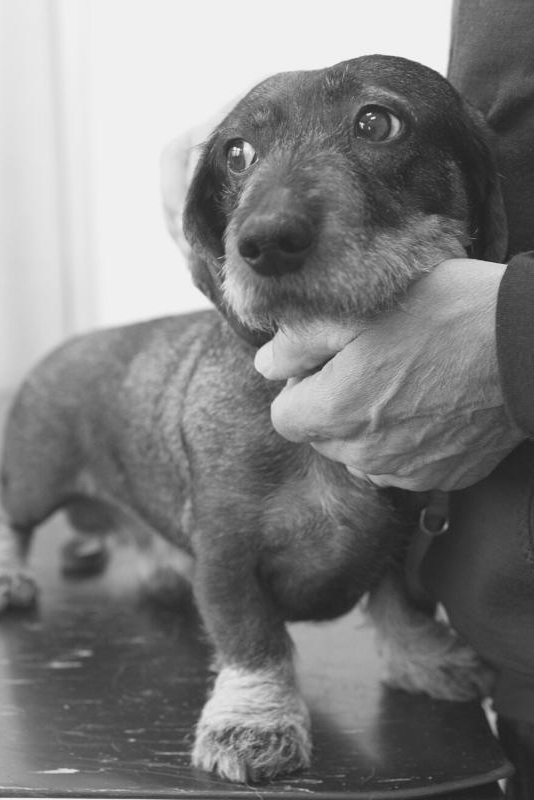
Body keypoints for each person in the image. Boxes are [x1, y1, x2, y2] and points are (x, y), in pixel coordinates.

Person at [162, 2, 534, 795]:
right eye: (240, 158)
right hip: (502, 675)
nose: (264, 228)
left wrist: (516, 341)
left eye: (377, 126)